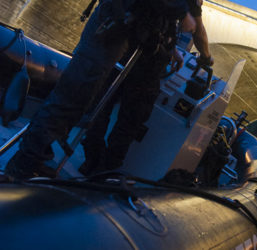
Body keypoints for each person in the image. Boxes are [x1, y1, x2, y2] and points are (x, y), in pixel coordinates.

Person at [4, 0, 197, 179]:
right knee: (71, 97)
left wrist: (169, 44)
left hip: (118, 29)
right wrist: (182, 12)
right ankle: (22, 166)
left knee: (78, 100)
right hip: (110, 29)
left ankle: (36, 158)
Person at [79, 0, 214, 175]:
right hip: (146, 56)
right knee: (133, 115)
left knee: (102, 103)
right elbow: (196, 28)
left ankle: (91, 159)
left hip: (121, 43)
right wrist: (206, 57)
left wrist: (172, 49)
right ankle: (107, 168)